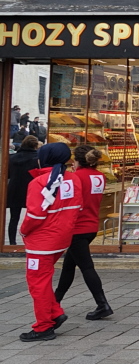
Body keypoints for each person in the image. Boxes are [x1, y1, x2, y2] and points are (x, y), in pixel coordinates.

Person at [19, 143, 82, 341]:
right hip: (61, 238)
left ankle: (44, 325)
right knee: (43, 280)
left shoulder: (39, 183)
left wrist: (23, 231)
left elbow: (35, 215)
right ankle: (54, 313)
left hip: (41, 241)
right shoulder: (74, 179)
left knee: (38, 283)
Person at [54, 145, 112, 320]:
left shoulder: (74, 177)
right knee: (69, 266)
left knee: (86, 267)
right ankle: (55, 301)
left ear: (76, 160)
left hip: (76, 227)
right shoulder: (100, 177)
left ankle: (102, 304)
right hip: (92, 225)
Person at [6, 134, 38, 245]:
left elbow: (8, 175)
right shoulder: (37, 158)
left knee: (14, 218)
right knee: (32, 217)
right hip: (31, 190)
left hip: (14, 189)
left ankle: (12, 242)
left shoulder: (12, 157)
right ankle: (30, 241)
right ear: (35, 146)